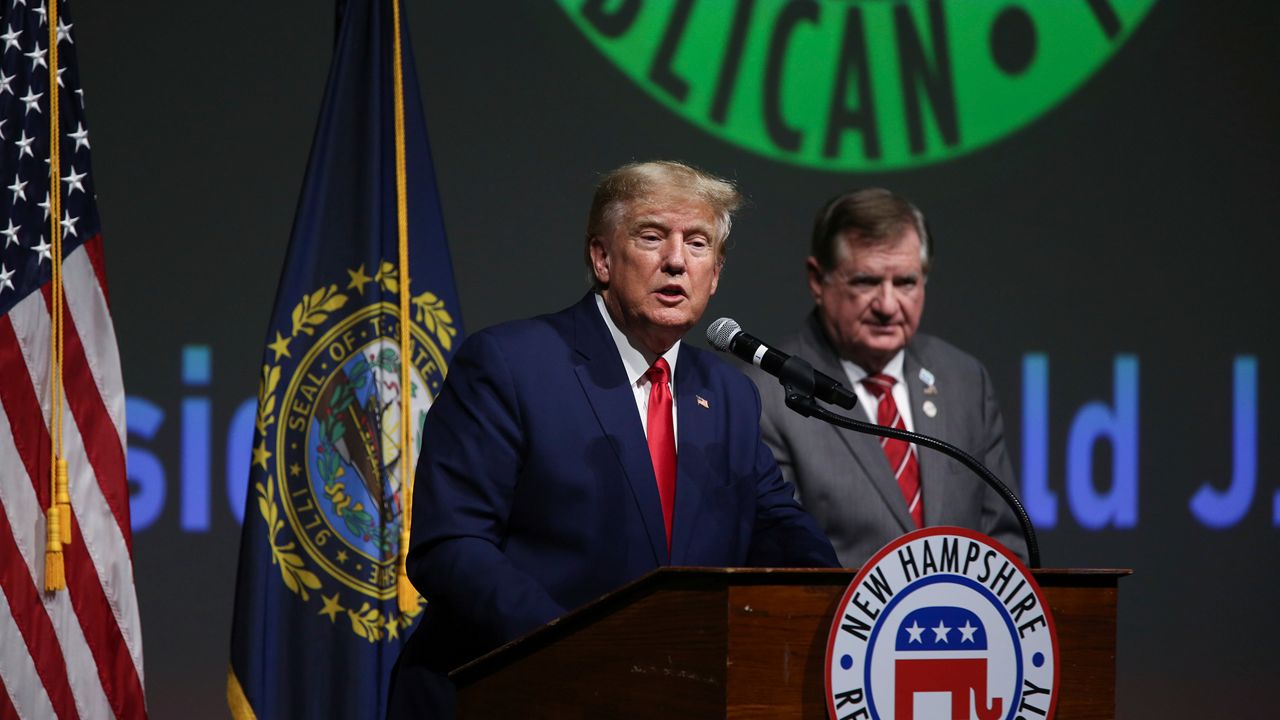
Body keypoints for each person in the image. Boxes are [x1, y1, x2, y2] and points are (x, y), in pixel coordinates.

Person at [387, 161, 839, 718]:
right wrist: (580, 649)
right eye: (652, 237)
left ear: (715, 274)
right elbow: (450, 547)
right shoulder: (511, 364)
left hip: (673, 698)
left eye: (697, 244)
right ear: (602, 258)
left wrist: (839, 606)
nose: (676, 260)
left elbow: (777, 529)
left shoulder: (728, 394)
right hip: (515, 693)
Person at [744, 188, 1027, 569]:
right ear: (818, 280)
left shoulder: (963, 381)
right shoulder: (766, 394)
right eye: (866, 281)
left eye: (906, 282)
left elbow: (1005, 542)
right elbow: (779, 559)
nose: (888, 306)